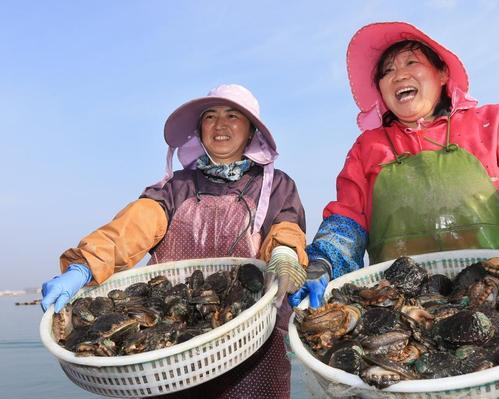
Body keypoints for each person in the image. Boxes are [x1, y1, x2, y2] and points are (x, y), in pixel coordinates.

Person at [290, 21, 499, 309]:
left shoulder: (492, 122)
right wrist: (322, 263)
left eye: (411, 63)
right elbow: (347, 222)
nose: (398, 75)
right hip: (405, 307)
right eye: (387, 71)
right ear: (380, 90)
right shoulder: (367, 148)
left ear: (441, 74)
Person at [41, 84, 307, 398]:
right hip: (172, 354)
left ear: (251, 131)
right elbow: (133, 227)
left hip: (250, 342)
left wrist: (287, 254)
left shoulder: (276, 186)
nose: (220, 125)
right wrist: (84, 266)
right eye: (210, 116)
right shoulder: (174, 188)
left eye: (233, 115)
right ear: (200, 129)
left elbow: (286, 230)